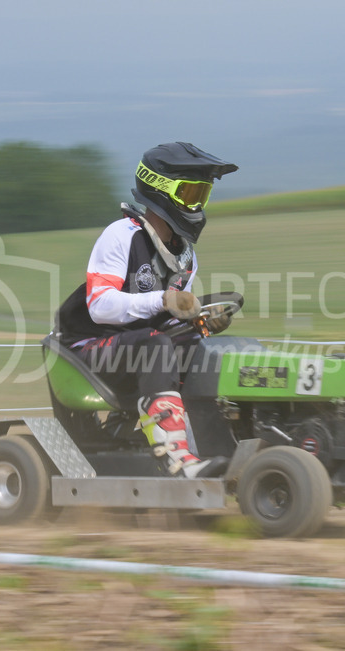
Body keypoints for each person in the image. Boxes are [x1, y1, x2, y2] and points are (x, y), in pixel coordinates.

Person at [55, 142, 238, 478]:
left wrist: (201, 323)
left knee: (206, 352)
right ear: (161, 191)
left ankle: (226, 454)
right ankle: (176, 460)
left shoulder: (185, 256)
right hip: (87, 349)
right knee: (155, 347)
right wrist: (163, 300)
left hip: (140, 344)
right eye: (190, 194)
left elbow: (165, 321)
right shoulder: (122, 235)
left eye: (203, 195)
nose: (197, 204)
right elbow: (99, 307)